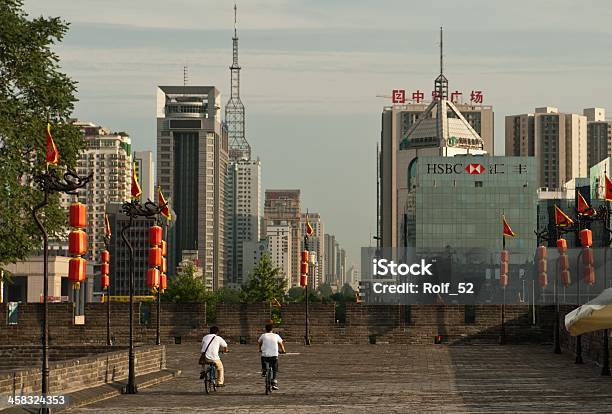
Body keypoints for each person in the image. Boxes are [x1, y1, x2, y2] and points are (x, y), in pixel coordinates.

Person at [258, 323, 285, 390]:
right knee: (274, 368)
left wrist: (260, 349)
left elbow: (259, 342)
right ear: (272, 329)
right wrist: (283, 350)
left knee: (263, 358)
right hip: (274, 355)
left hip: (265, 356)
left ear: (265, 329)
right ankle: (274, 382)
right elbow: (280, 343)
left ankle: (264, 370)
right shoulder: (276, 335)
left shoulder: (263, 335)